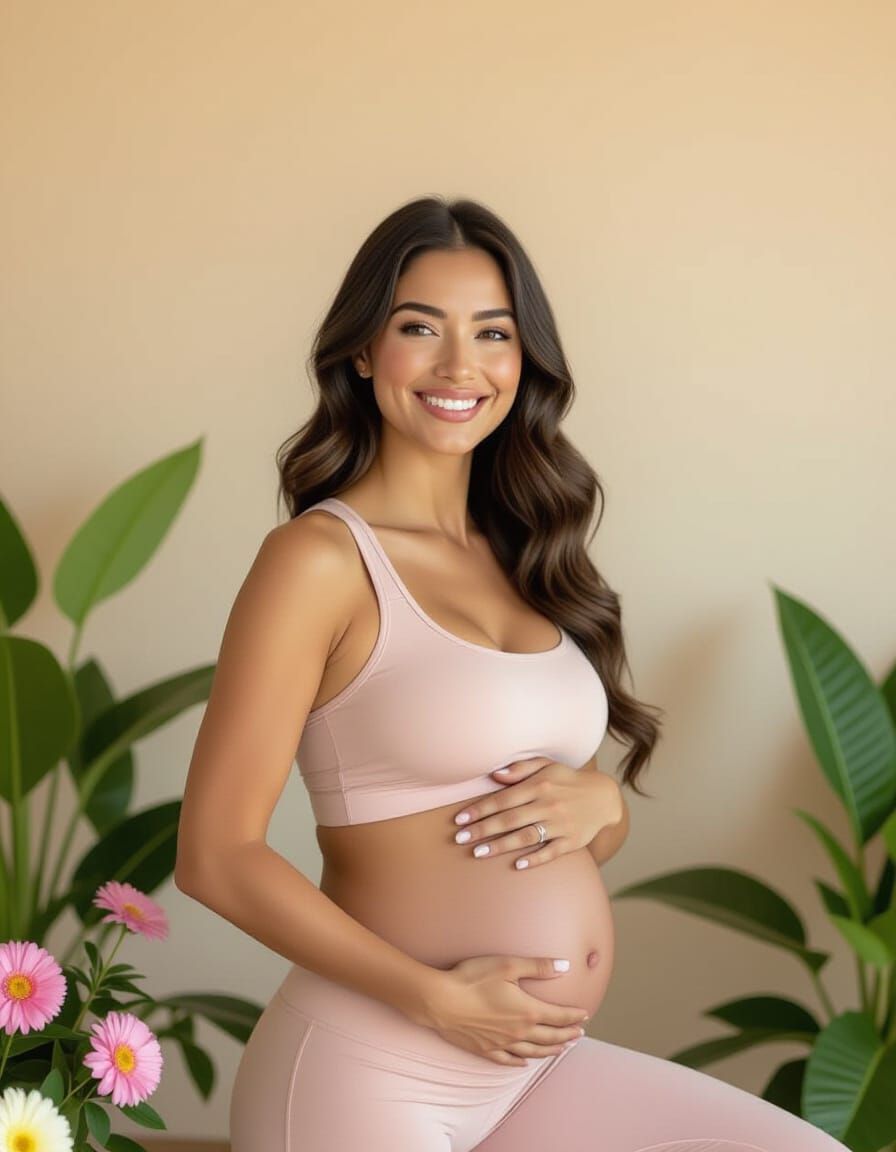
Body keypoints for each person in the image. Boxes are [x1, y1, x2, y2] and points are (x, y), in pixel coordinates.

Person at [174, 196, 847, 1151]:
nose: (460, 367)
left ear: (523, 357)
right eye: (420, 328)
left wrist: (604, 810)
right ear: (363, 351)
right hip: (372, 1073)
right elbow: (215, 856)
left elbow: (512, 834)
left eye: (492, 332)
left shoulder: (528, 552)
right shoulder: (320, 561)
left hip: (531, 1073)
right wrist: (435, 999)